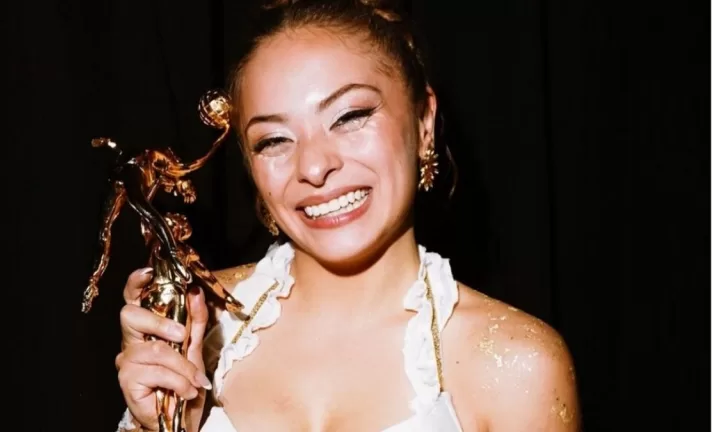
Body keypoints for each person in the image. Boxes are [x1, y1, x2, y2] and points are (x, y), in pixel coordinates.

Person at [113, 0, 581, 431]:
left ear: (423, 122)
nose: (314, 167)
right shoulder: (198, 322)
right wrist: (165, 422)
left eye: (349, 117)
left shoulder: (515, 366)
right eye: (273, 140)